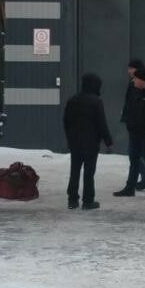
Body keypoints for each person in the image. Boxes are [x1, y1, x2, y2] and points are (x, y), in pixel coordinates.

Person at [62, 72, 113, 210]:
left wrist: (69, 137)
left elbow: (66, 121)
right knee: (89, 172)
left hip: (74, 142)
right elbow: (101, 123)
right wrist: (108, 141)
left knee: (75, 170)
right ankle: (88, 200)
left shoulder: (72, 100)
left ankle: (72, 200)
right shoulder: (96, 101)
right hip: (91, 143)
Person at [115, 67, 145, 200]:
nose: (133, 81)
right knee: (134, 160)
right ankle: (129, 188)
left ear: (143, 80)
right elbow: (130, 109)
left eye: (135, 78)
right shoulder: (136, 91)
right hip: (134, 133)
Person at [122, 58, 145, 190]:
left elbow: (135, 104)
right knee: (136, 154)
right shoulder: (134, 82)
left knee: (134, 154)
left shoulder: (139, 84)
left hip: (137, 124)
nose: (129, 71)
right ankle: (143, 180)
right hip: (134, 123)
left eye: (131, 68)